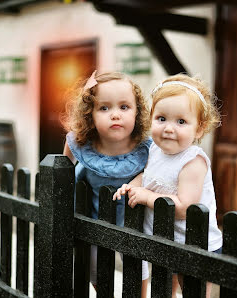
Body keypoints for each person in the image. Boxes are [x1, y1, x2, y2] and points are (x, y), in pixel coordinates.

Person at [113, 73, 223, 298]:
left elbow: (184, 207)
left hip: (194, 244)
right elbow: (148, 177)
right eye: (161, 118)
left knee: (194, 291)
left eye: (181, 122)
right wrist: (130, 186)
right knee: (165, 290)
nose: (169, 128)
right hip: (165, 239)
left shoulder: (193, 161)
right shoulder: (155, 149)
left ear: (199, 129)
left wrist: (146, 197)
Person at [62, 70, 152, 288]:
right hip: (93, 219)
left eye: (124, 107)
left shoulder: (146, 148)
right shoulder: (83, 144)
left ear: (137, 112)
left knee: (136, 265)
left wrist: (138, 180)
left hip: (132, 221)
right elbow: (63, 169)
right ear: (89, 115)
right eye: (104, 108)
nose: (115, 114)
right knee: (94, 265)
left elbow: (155, 174)